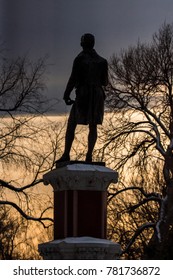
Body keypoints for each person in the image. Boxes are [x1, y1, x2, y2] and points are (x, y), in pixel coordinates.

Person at [57, 33, 108, 162]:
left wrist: (66, 94)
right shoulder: (102, 61)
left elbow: (73, 78)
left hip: (84, 93)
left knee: (72, 123)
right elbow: (105, 82)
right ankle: (89, 155)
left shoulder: (80, 59)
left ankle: (66, 154)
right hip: (97, 94)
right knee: (93, 125)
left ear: (83, 43)